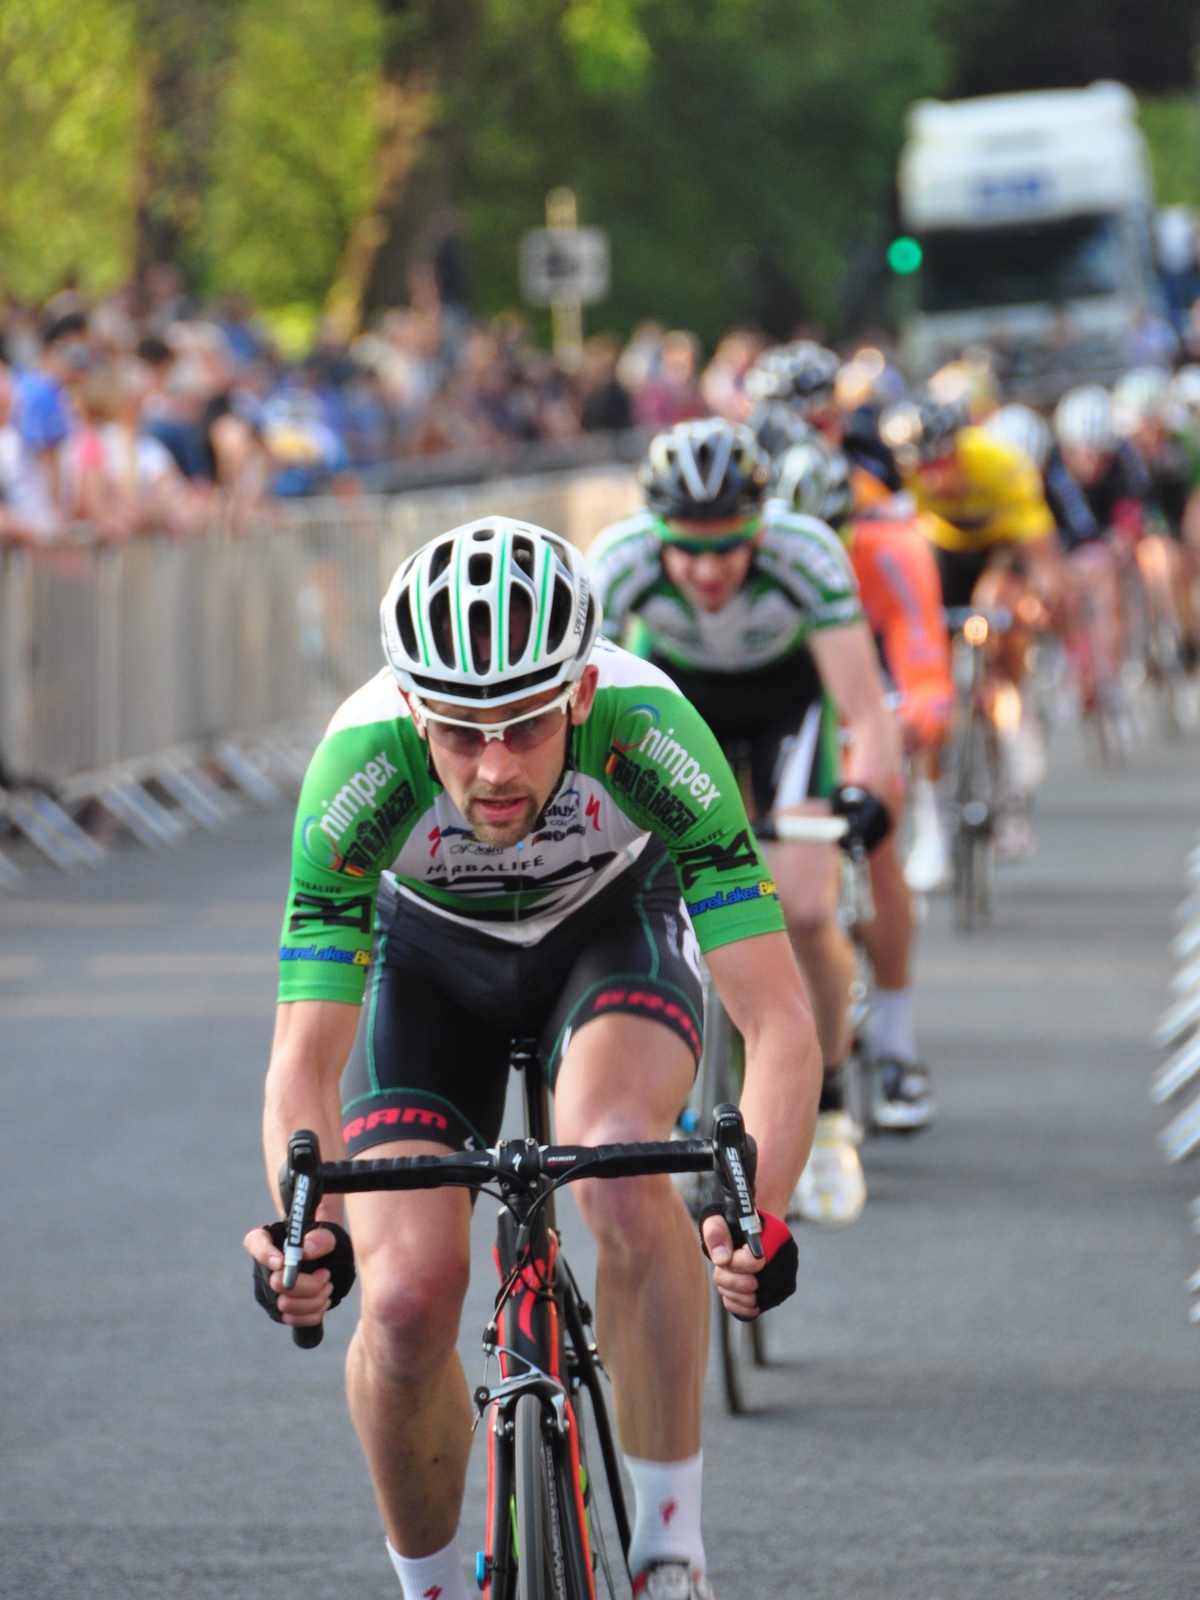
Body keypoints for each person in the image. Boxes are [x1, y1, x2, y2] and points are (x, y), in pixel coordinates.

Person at [245, 519, 820, 1600]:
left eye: (522, 723)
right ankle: (428, 1587)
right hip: (425, 964)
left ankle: (667, 1550)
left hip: (608, 930)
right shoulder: (356, 767)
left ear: (581, 694)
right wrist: (304, 1229)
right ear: (415, 710)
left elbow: (778, 1017)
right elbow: (302, 1054)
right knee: (408, 1296)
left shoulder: (654, 730)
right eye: (461, 732)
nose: (495, 766)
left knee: (614, 1160)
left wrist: (763, 1213)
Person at [589, 418, 911, 1227]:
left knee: (803, 908)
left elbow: (864, 709)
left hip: (785, 708)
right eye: (684, 546)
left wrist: (869, 795)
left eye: (728, 545)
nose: (705, 568)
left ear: (760, 528)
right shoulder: (617, 560)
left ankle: (831, 1109)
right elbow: (581, 716)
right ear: (654, 531)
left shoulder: (805, 553)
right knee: (649, 898)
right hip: (678, 707)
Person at [770, 433, 949, 1101]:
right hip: (792, 723)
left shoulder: (890, 549)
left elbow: (920, 651)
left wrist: (922, 707)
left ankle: (899, 1046)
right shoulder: (752, 568)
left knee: (874, 843)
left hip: (867, 706)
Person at [888, 390, 1061, 860]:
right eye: (922, 467)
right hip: (938, 559)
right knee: (931, 695)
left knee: (996, 609)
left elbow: (1042, 553)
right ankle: (931, 825)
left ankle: (1012, 725)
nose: (934, 475)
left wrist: (1040, 603)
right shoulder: (902, 477)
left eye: (942, 461)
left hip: (999, 553)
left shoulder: (1000, 464)